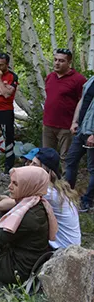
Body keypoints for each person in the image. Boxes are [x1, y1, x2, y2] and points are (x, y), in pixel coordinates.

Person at [0, 148, 81, 250]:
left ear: (46, 172)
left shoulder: (46, 192)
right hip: (67, 245)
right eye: (29, 163)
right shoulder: (56, 188)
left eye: (34, 165)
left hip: (58, 249)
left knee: (8, 222)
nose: (28, 166)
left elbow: (2, 206)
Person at [43, 48, 86, 169]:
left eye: (61, 61)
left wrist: (75, 122)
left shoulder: (78, 79)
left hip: (66, 127)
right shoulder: (50, 77)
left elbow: (83, 101)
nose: (57, 63)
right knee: (46, 157)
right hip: (48, 124)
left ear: (69, 63)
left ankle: (64, 186)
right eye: (55, 60)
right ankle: (47, 185)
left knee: (65, 159)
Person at [65, 72, 94, 212]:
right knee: (70, 161)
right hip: (82, 129)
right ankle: (67, 195)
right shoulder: (91, 80)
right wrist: (75, 121)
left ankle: (87, 201)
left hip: (92, 133)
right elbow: (82, 100)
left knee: (92, 168)